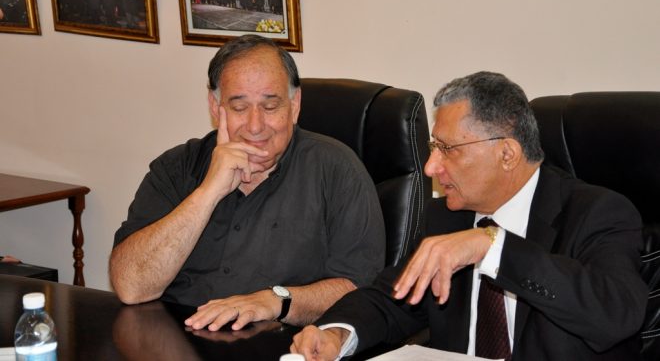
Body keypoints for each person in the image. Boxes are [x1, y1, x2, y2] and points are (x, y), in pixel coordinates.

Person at [291, 71, 648, 360]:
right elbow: (389, 299)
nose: (431, 167)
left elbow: (616, 315)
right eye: (433, 148)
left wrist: (493, 246)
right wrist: (336, 334)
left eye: (447, 149)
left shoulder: (597, 213)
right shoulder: (447, 217)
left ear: (507, 154)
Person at [109, 34, 385, 333]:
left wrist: (276, 301)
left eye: (270, 106)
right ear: (215, 107)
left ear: (294, 105)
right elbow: (131, 287)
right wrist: (208, 192)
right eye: (239, 108)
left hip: (281, 343)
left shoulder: (337, 170)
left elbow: (359, 289)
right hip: (176, 339)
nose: (255, 126)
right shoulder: (176, 168)